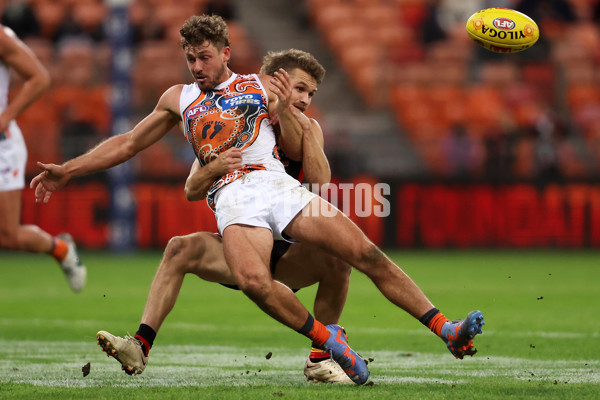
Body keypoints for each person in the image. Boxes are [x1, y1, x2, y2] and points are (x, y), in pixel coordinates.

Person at [31, 15, 484, 385]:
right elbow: (129, 144)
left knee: (361, 251)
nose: (196, 66)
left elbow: (308, 165)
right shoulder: (180, 99)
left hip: (276, 188)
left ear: (226, 53)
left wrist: (286, 109)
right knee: (245, 278)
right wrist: (69, 169)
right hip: (235, 198)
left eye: (204, 57)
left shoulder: (261, 89)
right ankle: (330, 343)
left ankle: (446, 328)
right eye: (189, 58)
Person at [95, 49, 354, 383]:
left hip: (289, 251)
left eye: (309, 93)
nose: (303, 98)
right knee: (178, 249)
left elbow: (320, 182)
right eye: (299, 88)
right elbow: (191, 189)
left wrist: (304, 130)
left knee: (340, 257)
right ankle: (140, 345)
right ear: (274, 83)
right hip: (242, 245)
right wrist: (215, 166)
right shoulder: (229, 123)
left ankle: (320, 359)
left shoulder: (308, 127)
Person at [0, 23, 86, 292]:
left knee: (8, 235)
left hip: (2, 146)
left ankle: (60, 249)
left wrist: (5, 117)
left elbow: (39, 78)